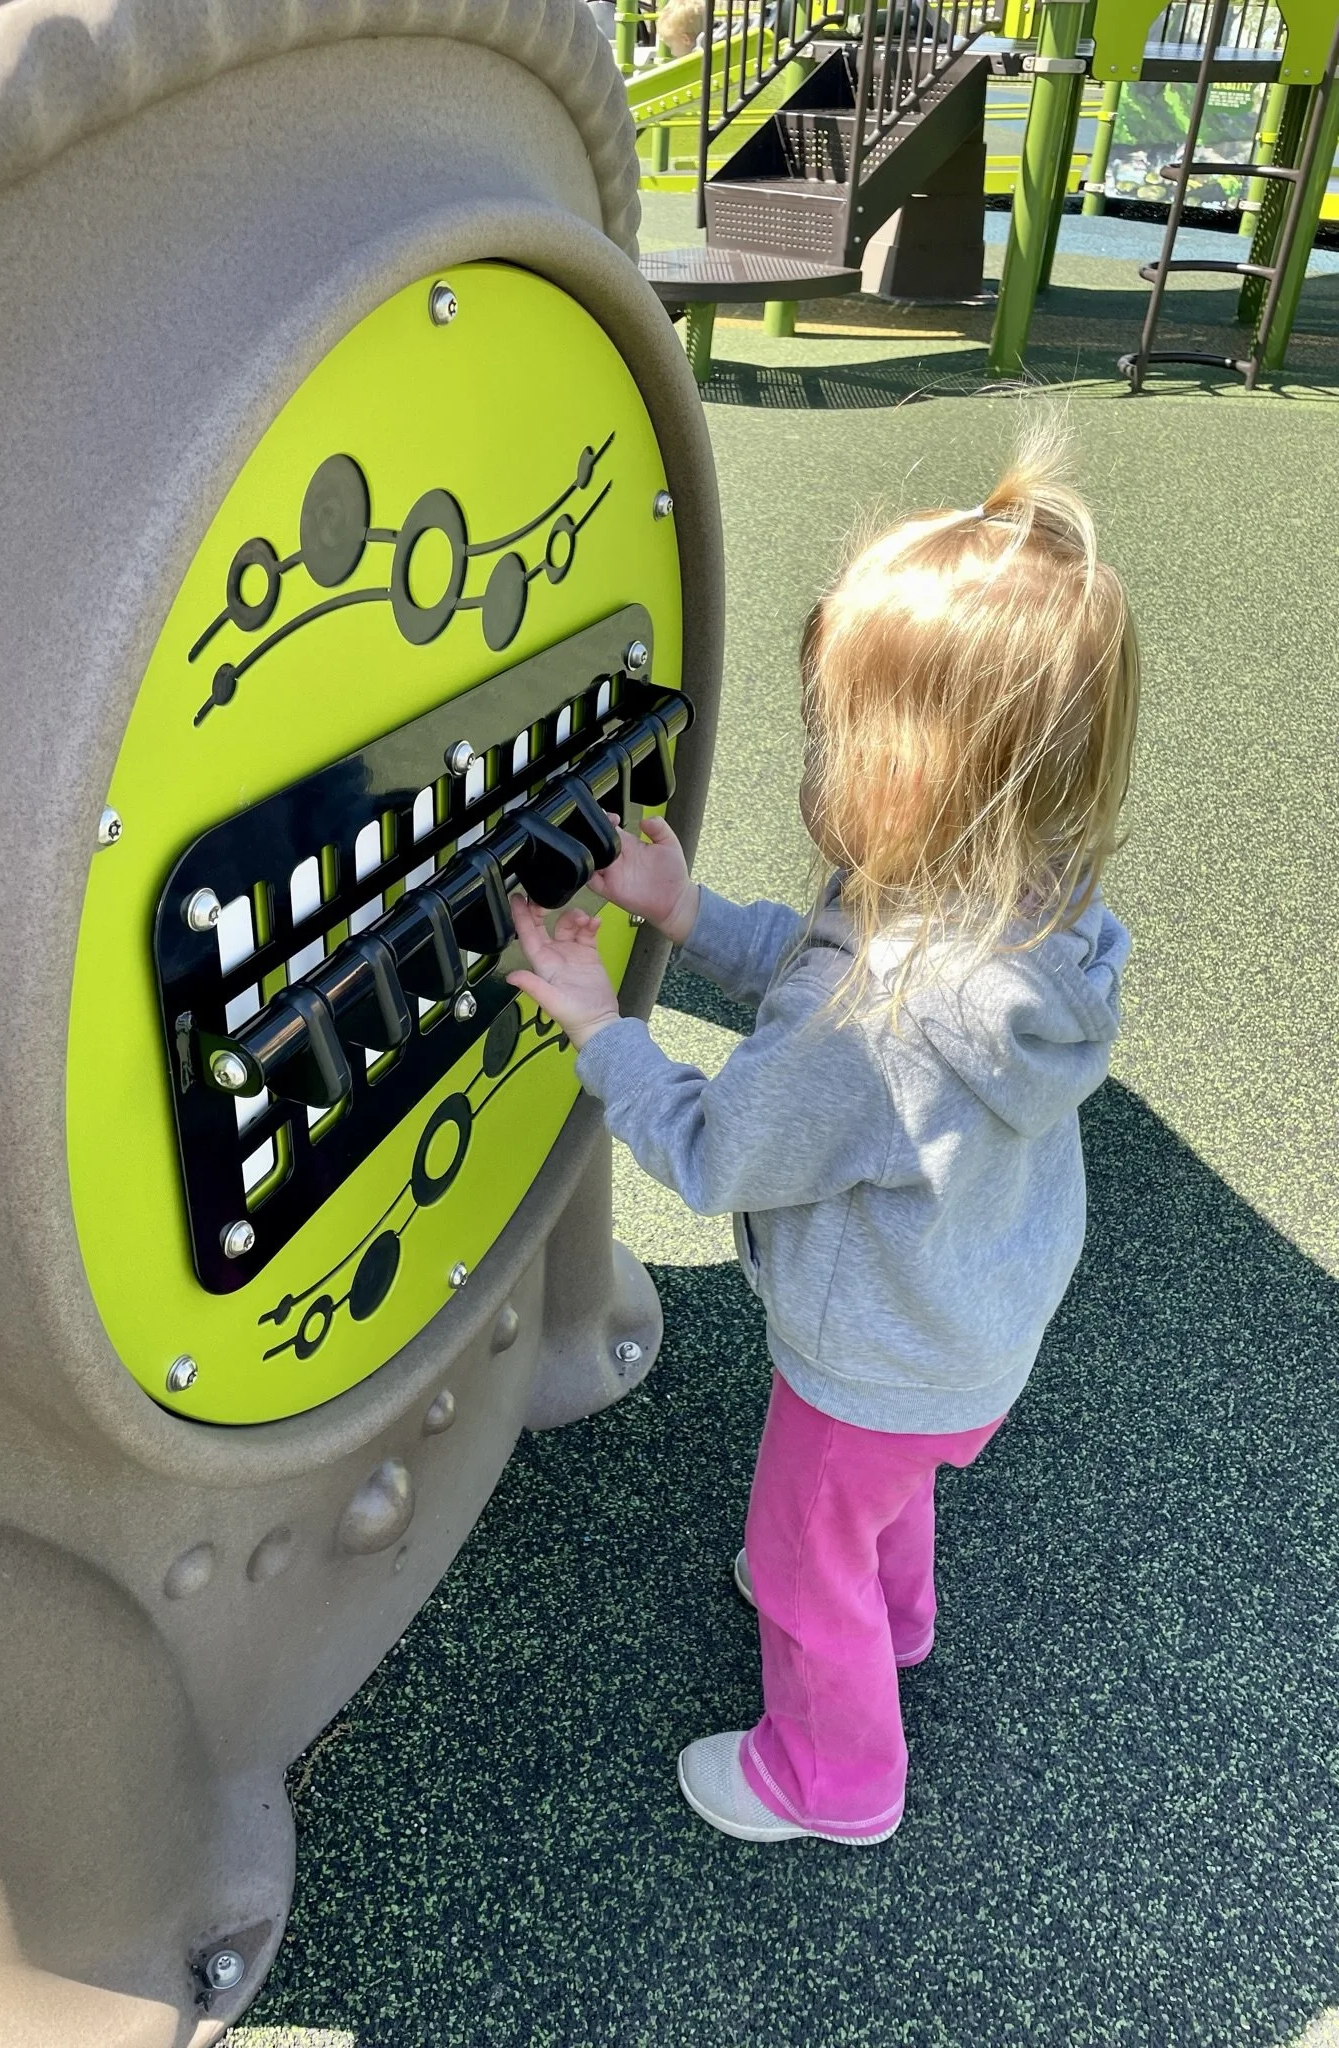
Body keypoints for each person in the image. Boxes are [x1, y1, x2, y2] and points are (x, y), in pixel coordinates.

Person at [507, 434, 1139, 1846]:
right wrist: (685, 913)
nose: (817, 760)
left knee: (800, 1564)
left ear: (913, 774)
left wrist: (602, 1026)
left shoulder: (885, 1025)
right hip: (969, 1324)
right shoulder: (1024, 914)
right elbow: (820, 959)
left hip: (872, 1361)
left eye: (834, 735)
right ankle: (898, 1614)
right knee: (876, 1503)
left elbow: (723, 1148)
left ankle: (833, 1778)